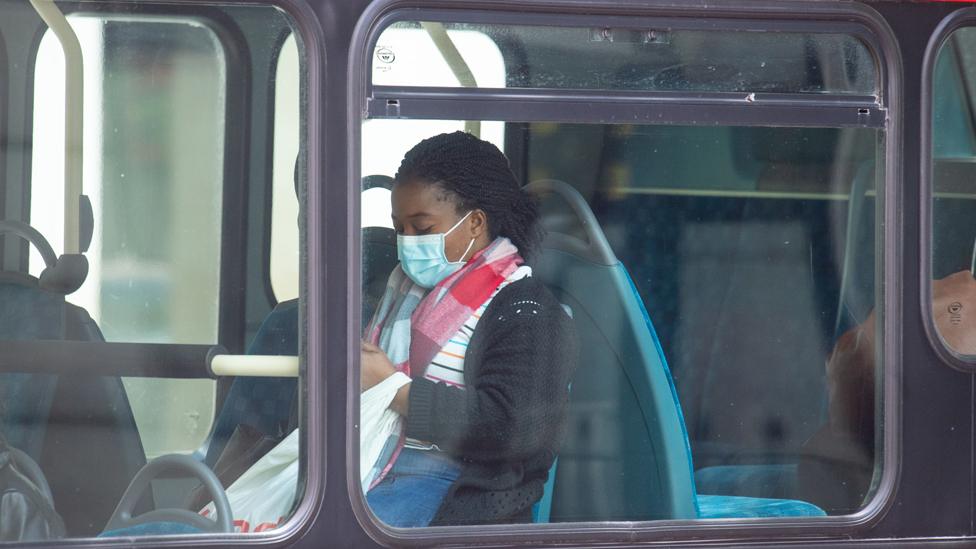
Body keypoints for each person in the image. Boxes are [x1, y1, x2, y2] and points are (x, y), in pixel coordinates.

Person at [360, 131, 577, 527]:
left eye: (422, 229)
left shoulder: (526, 311)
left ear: (475, 222)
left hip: (454, 483)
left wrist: (394, 389)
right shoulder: (395, 293)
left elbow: (515, 427)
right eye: (399, 229)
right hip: (371, 462)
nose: (407, 242)